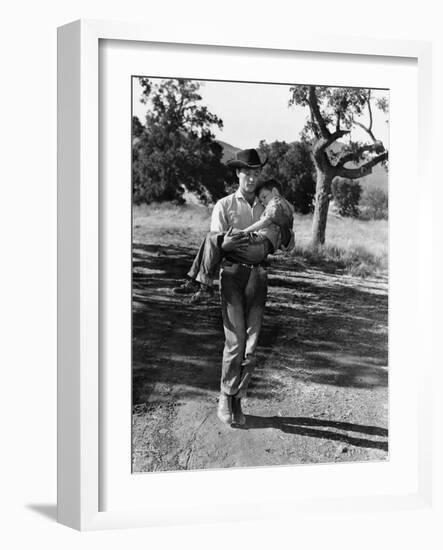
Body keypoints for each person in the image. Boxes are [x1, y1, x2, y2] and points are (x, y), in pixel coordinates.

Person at [176, 148, 292, 426]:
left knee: (251, 345)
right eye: (246, 173)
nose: (251, 179)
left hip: (258, 277)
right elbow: (215, 240)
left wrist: (281, 234)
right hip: (231, 276)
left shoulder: (269, 203)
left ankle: (238, 399)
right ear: (237, 174)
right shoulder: (224, 205)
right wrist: (225, 245)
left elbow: (287, 243)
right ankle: (225, 396)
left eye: (256, 173)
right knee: (236, 341)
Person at [173, 179, 294, 304]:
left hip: (260, 244)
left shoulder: (277, 202)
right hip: (259, 245)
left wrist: (244, 232)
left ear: (274, 191)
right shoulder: (284, 207)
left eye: (264, 197)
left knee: (214, 238)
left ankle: (202, 285)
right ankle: (196, 281)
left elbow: (264, 222)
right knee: (211, 238)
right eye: (261, 200)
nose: (263, 202)